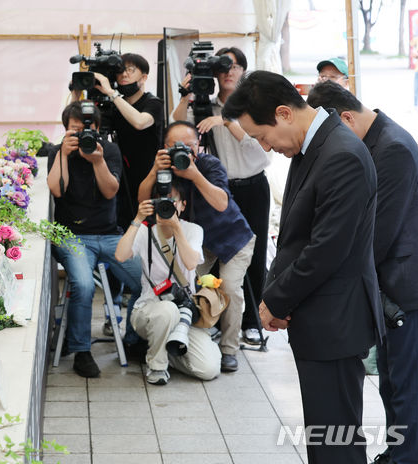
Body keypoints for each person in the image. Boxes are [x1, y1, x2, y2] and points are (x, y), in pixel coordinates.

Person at [222, 70, 384, 464]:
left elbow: (326, 249)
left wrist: (275, 301)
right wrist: (276, 295)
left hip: (336, 321)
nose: (264, 146)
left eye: (262, 136)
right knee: (326, 439)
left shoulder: (341, 154)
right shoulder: (310, 146)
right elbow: (294, 233)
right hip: (317, 317)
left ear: (283, 114)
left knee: (336, 443)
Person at [307, 80, 418, 464]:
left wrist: (335, 275)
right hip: (389, 285)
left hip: (406, 287)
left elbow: (378, 232)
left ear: (344, 117)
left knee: (406, 386)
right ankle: (396, 453)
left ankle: (405, 458)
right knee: (391, 382)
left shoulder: (392, 148)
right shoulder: (378, 140)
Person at [171, 46, 270, 346]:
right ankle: (213, 316)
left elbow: (262, 154)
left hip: (252, 186)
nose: (229, 71)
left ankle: (252, 322)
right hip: (217, 188)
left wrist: (227, 121)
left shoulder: (254, 109)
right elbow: (176, 125)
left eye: (235, 66)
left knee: (253, 255)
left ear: (243, 71)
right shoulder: (205, 107)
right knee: (212, 253)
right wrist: (184, 93)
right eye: (223, 66)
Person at [137, 121, 254, 373]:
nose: (183, 150)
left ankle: (228, 349)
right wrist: (152, 171)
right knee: (185, 286)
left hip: (232, 237)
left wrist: (194, 174)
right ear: (165, 148)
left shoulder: (209, 165)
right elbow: (142, 200)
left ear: (198, 146)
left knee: (231, 289)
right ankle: (181, 335)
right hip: (196, 240)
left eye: (188, 145)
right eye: (175, 145)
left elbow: (221, 203)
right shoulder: (164, 169)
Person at [47, 101, 142, 378]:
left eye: (88, 129)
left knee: (145, 280)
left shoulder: (109, 150)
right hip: (71, 236)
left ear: (98, 129)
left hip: (109, 234)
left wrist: (98, 160)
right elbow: (57, 190)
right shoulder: (58, 152)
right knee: (84, 285)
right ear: (66, 131)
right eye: (76, 130)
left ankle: (134, 339)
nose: (83, 135)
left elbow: (110, 191)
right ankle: (81, 351)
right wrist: (63, 155)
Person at [115, 177, 221, 385]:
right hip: (149, 309)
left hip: (185, 313)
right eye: (161, 201)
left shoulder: (193, 230)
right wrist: (137, 219)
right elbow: (120, 255)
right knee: (167, 310)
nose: (167, 206)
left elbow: (191, 263)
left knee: (209, 369)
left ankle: (163, 350)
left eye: (172, 201)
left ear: (183, 205)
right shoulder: (145, 231)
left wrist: (176, 228)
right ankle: (157, 367)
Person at [85, 53, 164, 231]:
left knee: (147, 228)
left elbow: (140, 122)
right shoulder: (114, 106)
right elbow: (87, 127)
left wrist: (112, 93)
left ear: (144, 77)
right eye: (120, 71)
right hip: (122, 178)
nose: (124, 75)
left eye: (130, 70)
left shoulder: (154, 103)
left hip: (149, 176)